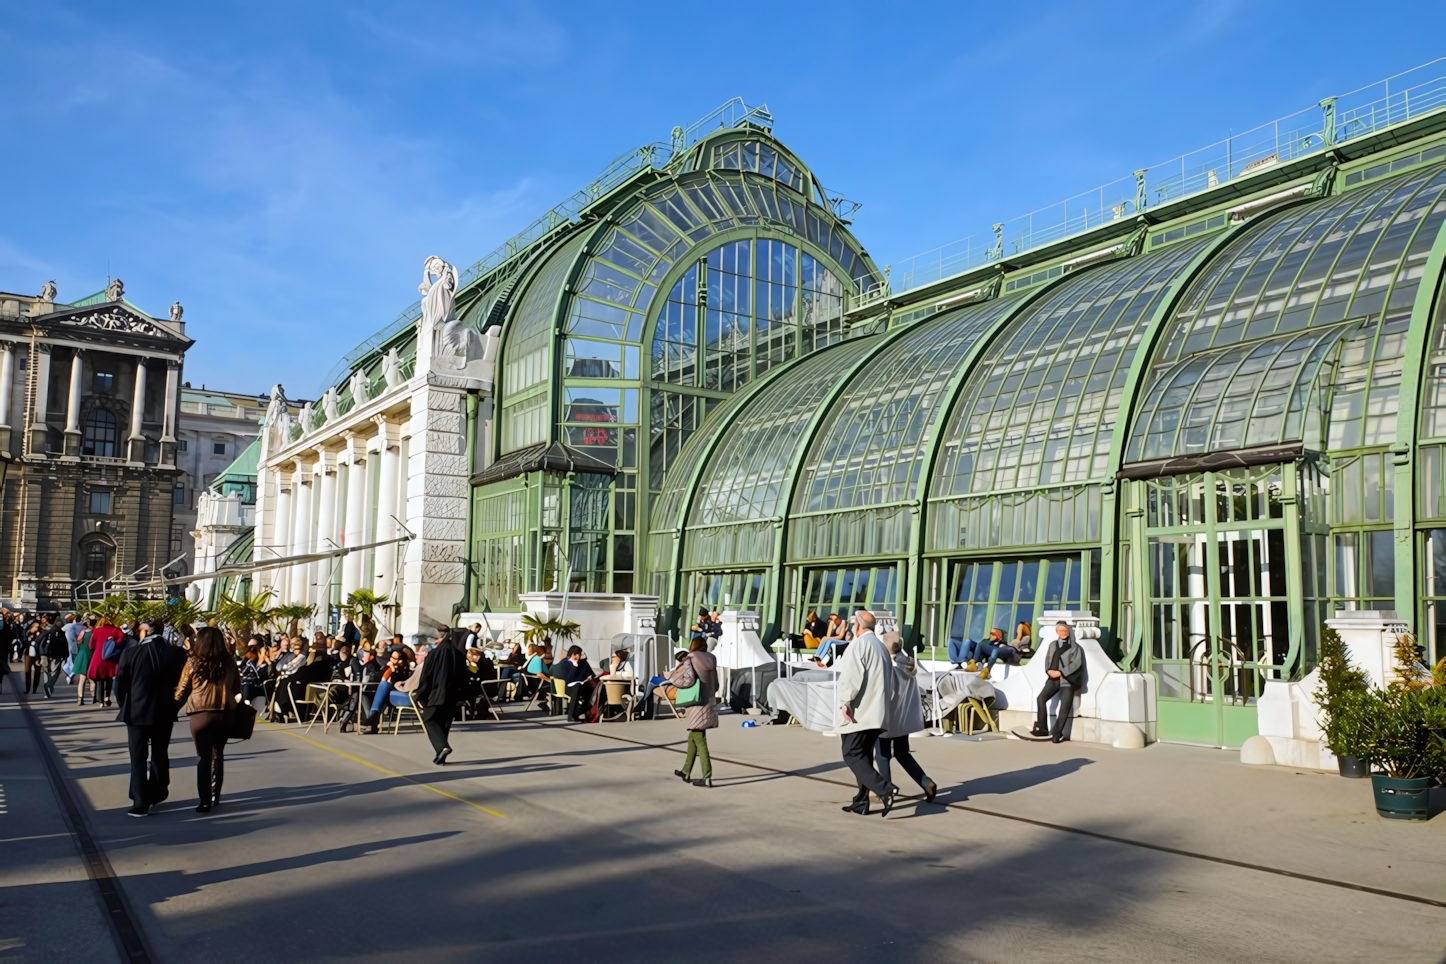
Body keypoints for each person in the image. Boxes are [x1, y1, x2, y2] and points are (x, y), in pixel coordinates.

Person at [114, 620, 187, 817]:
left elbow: (119, 683)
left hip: (136, 711)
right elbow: (183, 682)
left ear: (145, 632)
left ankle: (140, 800)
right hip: (164, 711)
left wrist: (124, 704)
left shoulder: (130, 653)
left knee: (137, 757)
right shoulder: (175, 653)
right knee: (160, 753)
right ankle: (158, 791)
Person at [174, 626, 241, 813]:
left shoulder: (193, 662)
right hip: (224, 713)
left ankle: (204, 801)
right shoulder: (228, 662)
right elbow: (237, 688)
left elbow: (181, 690)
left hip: (200, 713)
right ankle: (215, 794)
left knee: (203, 757)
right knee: (218, 754)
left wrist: (172, 710)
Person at [835, 610, 896, 816]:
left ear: (858, 626)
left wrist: (845, 702)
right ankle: (861, 801)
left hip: (860, 712)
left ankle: (884, 788)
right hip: (877, 712)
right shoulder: (881, 647)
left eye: (853, 623)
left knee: (851, 753)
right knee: (864, 755)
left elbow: (852, 678)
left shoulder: (859, 645)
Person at [876, 632, 937, 802]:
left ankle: (886, 790)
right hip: (904, 718)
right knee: (903, 753)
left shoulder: (888, 667)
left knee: (882, 755)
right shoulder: (907, 666)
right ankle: (925, 781)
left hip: (887, 718)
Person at [667, 637, 718, 787]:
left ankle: (707, 777)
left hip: (696, 703)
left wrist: (667, 676)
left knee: (699, 739)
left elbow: (683, 680)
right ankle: (686, 770)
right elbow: (716, 684)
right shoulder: (712, 659)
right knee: (693, 737)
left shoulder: (690, 658)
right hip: (709, 701)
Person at [412, 629, 466, 764]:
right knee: (444, 723)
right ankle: (441, 754)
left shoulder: (434, 655)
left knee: (429, 719)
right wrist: (462, 696)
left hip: (435, 693)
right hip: (453, 693)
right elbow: (464, 677)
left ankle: (442, 747)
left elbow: (426, 676)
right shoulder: (458, 655)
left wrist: (420, 694)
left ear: (438, 639)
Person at [1032, 621, 1087, 743]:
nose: (1063, 633)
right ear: (1057, 631)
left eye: (1065, 630)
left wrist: (1061, 672)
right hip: (1052, 679)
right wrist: (1048, 671)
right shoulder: (1052, 645)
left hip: (1067, 680)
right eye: (1060, 630)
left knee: (1064, 707)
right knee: (1041, 699)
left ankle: (1057, 733)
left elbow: (1076, 664)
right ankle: (1042, 728)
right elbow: (1047, 659)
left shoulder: (1075, 647)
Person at [550, 645, 595, 721]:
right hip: (566, 687)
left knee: (590, 688)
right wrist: (574, 667)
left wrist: (590, 677)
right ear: (571, 654)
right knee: (576, 687)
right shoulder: (564, 663)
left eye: (579, 654)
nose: (578, 656)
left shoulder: (584, 664)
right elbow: (567, 679)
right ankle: (571, 715)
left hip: (580, 685)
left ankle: (582, 711)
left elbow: (591, 674)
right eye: (576, 654)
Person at [87, 616, 124, 706]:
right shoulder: (116, 630)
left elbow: (91, 645)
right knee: (109, 677)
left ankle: (100, 699)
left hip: (98, 657)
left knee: (99, 678)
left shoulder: (96, 631)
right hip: (109, 656)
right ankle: (107, 696)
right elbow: (121, 639)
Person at [40, 613, 70, 698]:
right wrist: (66, 655)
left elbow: (40, 641)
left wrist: (40, 653)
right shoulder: (62, 633)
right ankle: (50, 685)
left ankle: (47, 685)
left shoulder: (48, 630)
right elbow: (65, 644)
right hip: (58, 654)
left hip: (47, 652)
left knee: (45, 670)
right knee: (55, 670)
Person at [73, 616, 97, 705]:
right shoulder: (95, 632)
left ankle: (80, 698)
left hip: (82, 655)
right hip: (92, 655)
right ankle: (94, 696)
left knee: (82, 679)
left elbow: (78, 644)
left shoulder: (82, 632)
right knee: (92, 679)